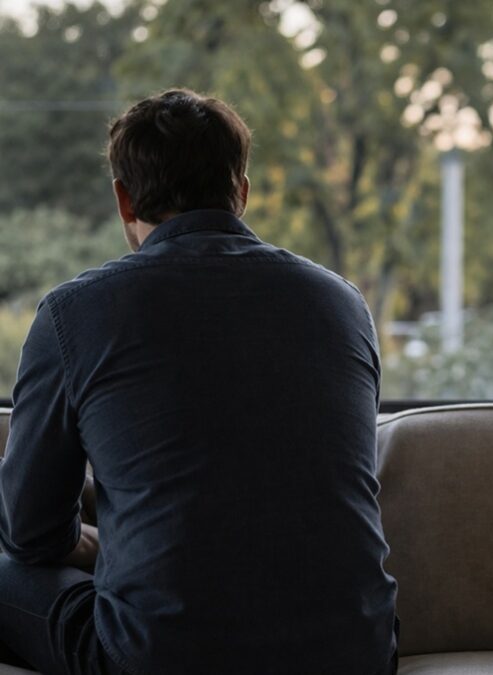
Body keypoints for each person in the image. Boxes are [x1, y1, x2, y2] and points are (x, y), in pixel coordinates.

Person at [0, 89, 398, 675]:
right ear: (240, 191)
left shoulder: (75, 313)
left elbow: (28, 535)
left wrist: (107, 544)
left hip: (164, 658)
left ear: (123, 198)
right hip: (357, 654)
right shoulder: (341, 303)